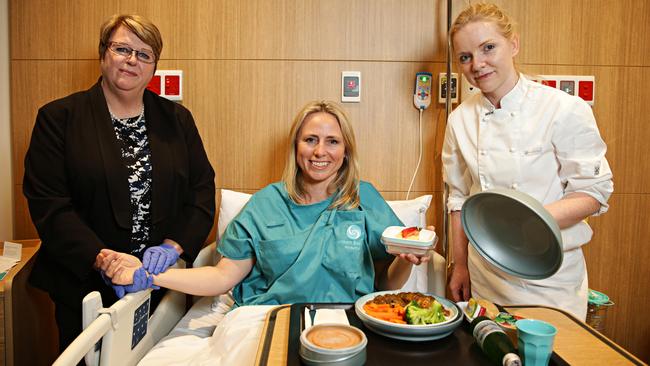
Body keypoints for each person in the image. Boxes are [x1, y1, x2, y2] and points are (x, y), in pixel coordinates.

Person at [98, 100, 428, 305]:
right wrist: (151, 275)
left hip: (347, 320)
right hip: (272, 316)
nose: (319, 151)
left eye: (332, 142)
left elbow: (384, 284)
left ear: (346, 152)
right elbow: (222, 277)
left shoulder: (362, 198)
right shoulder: (266, 204)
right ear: (295, 147)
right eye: (310, 140)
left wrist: (405, 259)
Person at [23, 14, 215, 351]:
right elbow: (49, 204)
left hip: (156, 285)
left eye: (144, 54)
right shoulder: (59, 119)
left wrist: (173, 247)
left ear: (154, 66)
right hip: (83, 284)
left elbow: (201, 192)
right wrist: (103, 259)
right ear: (103, 54)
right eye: (122, 49)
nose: (131, 61)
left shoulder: (176, 121)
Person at [442, 3, 613, 320]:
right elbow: (459, 199)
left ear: (514, 44)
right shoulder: (459, 120)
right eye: (465, 57)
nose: (477, 64)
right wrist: (460, 264)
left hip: (550, 276)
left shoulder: (562, 109)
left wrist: (524, 224)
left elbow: (594, 192)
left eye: (488, 48)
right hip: (486, 274)